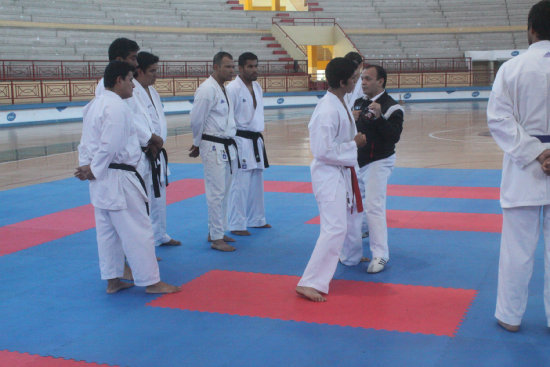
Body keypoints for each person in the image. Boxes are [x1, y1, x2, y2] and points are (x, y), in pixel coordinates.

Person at [75, 61, 180, 294]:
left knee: (108, 233)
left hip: (101, 182)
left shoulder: (93, 105)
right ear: (118, 80)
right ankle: (152, 282)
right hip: (119, 177)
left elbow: (85, 142)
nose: (133, 85)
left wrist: (86, 167)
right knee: (138, 230)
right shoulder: (118, 107)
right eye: (130, 79)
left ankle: (113, 280)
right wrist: (94, 168)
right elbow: (109, 144)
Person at [487, 0, 550, 333]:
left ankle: (510, 316)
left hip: (524, 167)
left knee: (517, 249)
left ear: (531, 29)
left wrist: (537, 152)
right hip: (533, 161)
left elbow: (498, 119)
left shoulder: (512, 68)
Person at [296, 57, 366, 302]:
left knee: (344, 222)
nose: (356, 82)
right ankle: (309, 281)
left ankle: (349, 256)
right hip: (328, 173)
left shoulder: (340, 101)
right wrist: (354, 144)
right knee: (334, 227)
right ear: (341, 81)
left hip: (339, 171)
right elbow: (322, 150)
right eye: (354, 78)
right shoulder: (327, 110)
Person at [341, 64, 404, 274]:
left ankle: (380, 255)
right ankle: (352, 251)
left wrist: (379, 118)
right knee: (354, 206)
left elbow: (393, 137)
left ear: (381, 81)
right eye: (362, 79)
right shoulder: (358, 103)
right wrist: (353, 118)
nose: (363, 83)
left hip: (380, 160)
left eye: (368, 79)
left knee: (374, 206)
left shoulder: (392, 107)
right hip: (357, 161)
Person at [189, 52, 238, 252]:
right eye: (227, 67)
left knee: (225, 191)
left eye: (233, 67)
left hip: (225, 145)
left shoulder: (222, 89)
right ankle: (217, 238)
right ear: (216, 67)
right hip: (212, 145)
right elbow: (196, 119)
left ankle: (217, 230)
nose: (232, 70)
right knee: (216, 193)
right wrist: (196, 142)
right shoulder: (206, 90)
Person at [134, 51, 181, 247]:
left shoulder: (152, 91)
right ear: (139, 70)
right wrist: (150, 140)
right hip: (143, 152)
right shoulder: (131, 91)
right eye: (152, 71)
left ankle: (160, 234)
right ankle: (145, 242)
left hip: (158, 152)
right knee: (143, 200)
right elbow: (134, 122)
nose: (156, 75)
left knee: (159, 197)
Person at [226, 52, 271, 236]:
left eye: (255, 66)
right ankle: (236, 223)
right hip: (240, 140)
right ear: (241, 68)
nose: (254, 70)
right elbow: (228, 117)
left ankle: (256, 219)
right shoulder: (233, 88)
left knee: (256, 181)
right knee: (240, 183)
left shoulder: (257, 87)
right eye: (250, 67)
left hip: (255, 140)